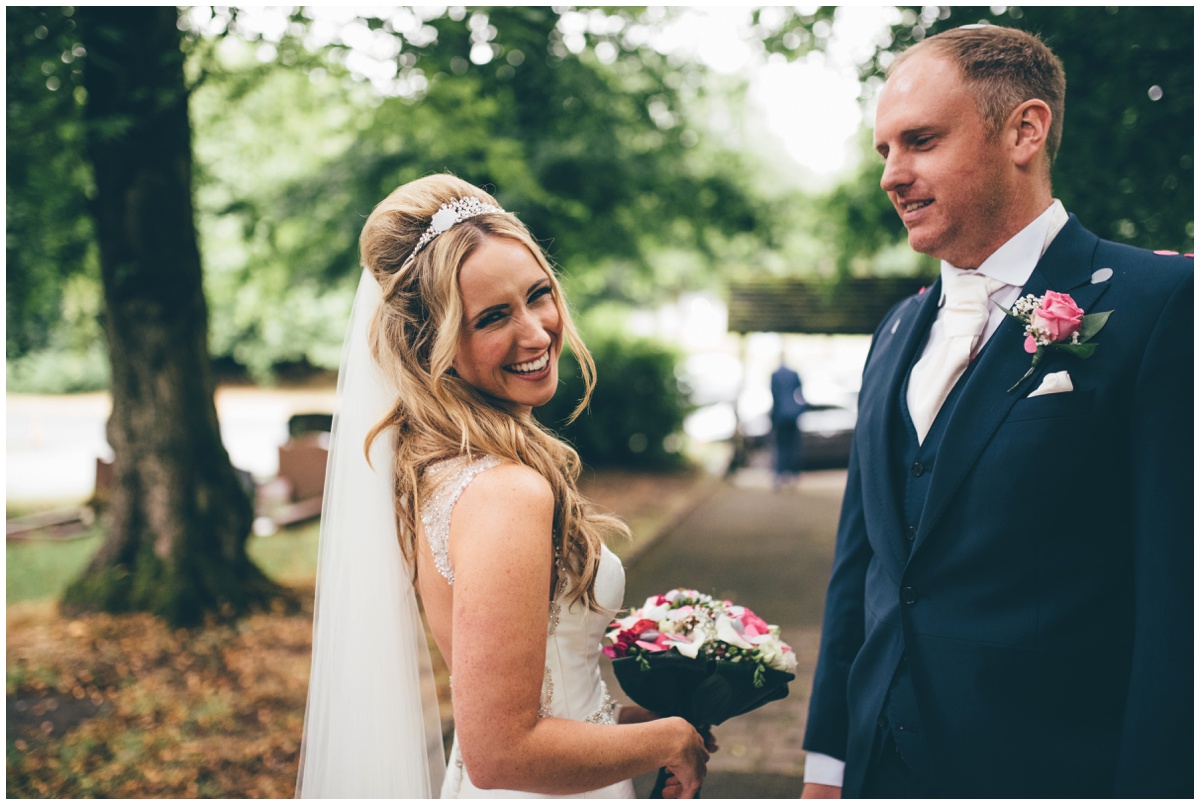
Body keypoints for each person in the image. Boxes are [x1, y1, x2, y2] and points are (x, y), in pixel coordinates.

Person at [801, 25, 1192, 798]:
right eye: (885, 151)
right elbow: (863, 571)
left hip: (1055, 771)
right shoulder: (896, 329)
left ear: (1025, 129)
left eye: (919, 141)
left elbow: (1181, 599)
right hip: (881, 771)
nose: (892, 175)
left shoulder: (1163, 307)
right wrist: (828, 765)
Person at [296, 175, 711, 798]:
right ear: (431, 342)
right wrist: (668, 741)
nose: (537, 333)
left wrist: (638, 725)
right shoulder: (504, 492)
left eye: (538, 294)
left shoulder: (434, 471)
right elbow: (505, 753)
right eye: (492, 317)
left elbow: (535, 709)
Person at [769, 358, 806, 488]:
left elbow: (774, 396)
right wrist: (800, 409)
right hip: (793, 414)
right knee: (793, 446)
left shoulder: (775, 375)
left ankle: (780, 474)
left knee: (780, 446)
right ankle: (794, 473)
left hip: (780, 415)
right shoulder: (793, 374)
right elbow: (800, 393)